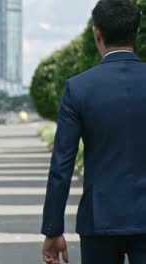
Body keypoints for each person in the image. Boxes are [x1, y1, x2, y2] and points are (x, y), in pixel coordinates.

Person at [41, 1, 146, 264]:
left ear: (96, 32)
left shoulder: (78, 88)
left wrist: (53, 229)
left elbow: (62, 166)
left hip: (99, 220)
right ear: (137, 32)